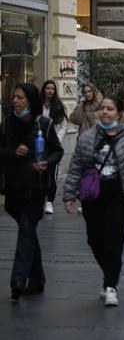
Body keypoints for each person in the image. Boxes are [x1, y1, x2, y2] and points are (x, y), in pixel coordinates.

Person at [63, 95, 124, 307]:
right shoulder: (88, 137)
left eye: (109, 109)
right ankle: (109, 275)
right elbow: (76, 167)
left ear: (119, 114)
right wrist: (69, 195)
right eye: (102, 109)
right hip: (93, 195)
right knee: (95, 240)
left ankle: (111, 286)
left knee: (114, 240)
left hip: (120, 195)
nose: (104, 112)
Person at [0, 83, 63, 302]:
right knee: (28, 232)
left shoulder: (43, 124)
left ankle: (18, 280)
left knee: (27, 228)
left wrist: (47, 161)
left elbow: (57, 150)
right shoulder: (7, 123)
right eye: (14, 97)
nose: (15, 101)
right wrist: (12, 153)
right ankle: (38, 279)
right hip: (13, 187)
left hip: (36, 187)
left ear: (30, 100)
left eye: (20, 97)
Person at [39, 80, 69, 214]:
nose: (50, 90)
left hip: (53, 146)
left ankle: (50, 201)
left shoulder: (58, 106)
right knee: (39, 173)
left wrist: (57, 140)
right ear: (44, 90)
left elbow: (64, 125)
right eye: (47, 88)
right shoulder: (37, 105)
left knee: (52, 174)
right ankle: (39, 199)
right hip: (39, 144)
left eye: (52, 88)